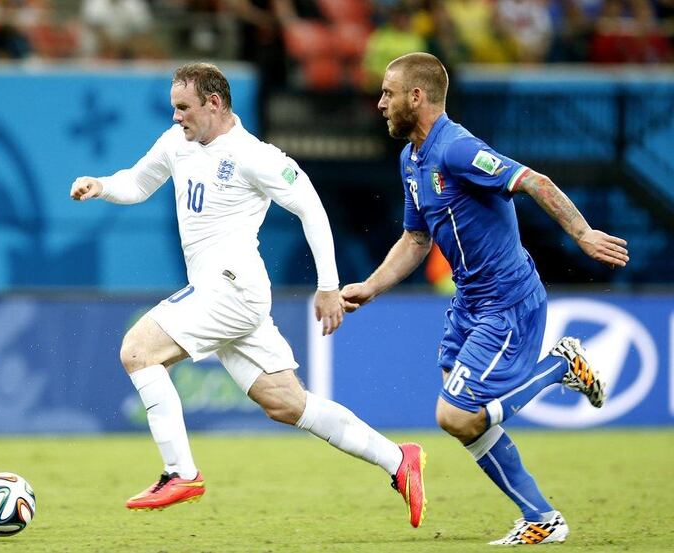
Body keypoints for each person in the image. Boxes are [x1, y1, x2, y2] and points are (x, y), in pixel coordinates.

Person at [69, 62, 427, 527]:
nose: (176, 117)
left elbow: (311, 208)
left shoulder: (254, 155)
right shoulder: (177, 142)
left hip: (231, 287)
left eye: (184, 107)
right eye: (174, 107)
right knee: (285, 402)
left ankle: (181, 473)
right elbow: (138, 183)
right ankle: (399, 460)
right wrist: (101, 186)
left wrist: (327, 287)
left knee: (138, 350)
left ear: (213, 103)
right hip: (223, 294)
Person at [341, 52, 629, 545]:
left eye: (389, 93)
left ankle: (563, 364)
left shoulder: (456, 148)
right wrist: (371, 286)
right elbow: (416, 240)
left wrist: (582, 235)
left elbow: (533, 181)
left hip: (506, 300)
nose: (380, 103)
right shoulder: (410, 158)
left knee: (455, 414)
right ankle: (541, 517)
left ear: (418, 96)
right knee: (464, 421)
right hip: (469, 302)